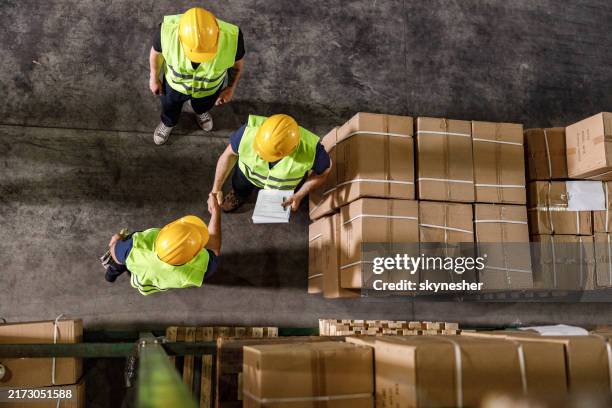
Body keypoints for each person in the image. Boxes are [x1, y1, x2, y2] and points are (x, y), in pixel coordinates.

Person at [149, 7, 245, 145]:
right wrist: (154, 77)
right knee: (170, 106)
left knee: (204, 105)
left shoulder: (233, 38)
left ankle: (201, 112)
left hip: (209, 88)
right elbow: (155, 53)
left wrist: (231, 88)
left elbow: (237, 65)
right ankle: (168, 122)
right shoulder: (166, 31)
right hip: (174, 86)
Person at [210, 114, 332, 213]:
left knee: (277, 205)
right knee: (240, 186)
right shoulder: (247, 132)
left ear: (287, 152)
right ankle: (239, 195)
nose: (260, 156)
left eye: (267, 155)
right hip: (246, 175)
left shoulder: (313, 152)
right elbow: (228, 155)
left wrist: (299, 195)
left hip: (279, 189)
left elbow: (323, 173)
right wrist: (216, 189)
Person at [104, 194, 221, 295]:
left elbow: (114, 251)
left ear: (167, 228)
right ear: (193, 256)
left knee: (120, 261)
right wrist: (216, 212)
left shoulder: (137, 246)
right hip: (151, 284)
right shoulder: (195, 269)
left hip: (136, 267)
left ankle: (111, 275)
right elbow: (214, 248)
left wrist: (117, 239)